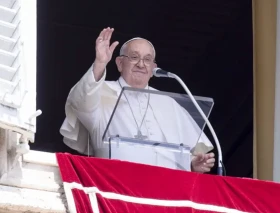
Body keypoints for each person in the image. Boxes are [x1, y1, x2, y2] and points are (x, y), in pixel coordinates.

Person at [60, 27, 215, 173]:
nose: (141, 64)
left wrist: (192, 165)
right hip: (114, 183)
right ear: (120, 63)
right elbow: (80, 102)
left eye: (147, 60)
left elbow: (186, 152)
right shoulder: (101, 92)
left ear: (153, 68)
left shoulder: (168, 103)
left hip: (167, 189)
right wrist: (100, 63)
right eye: (134, 57)